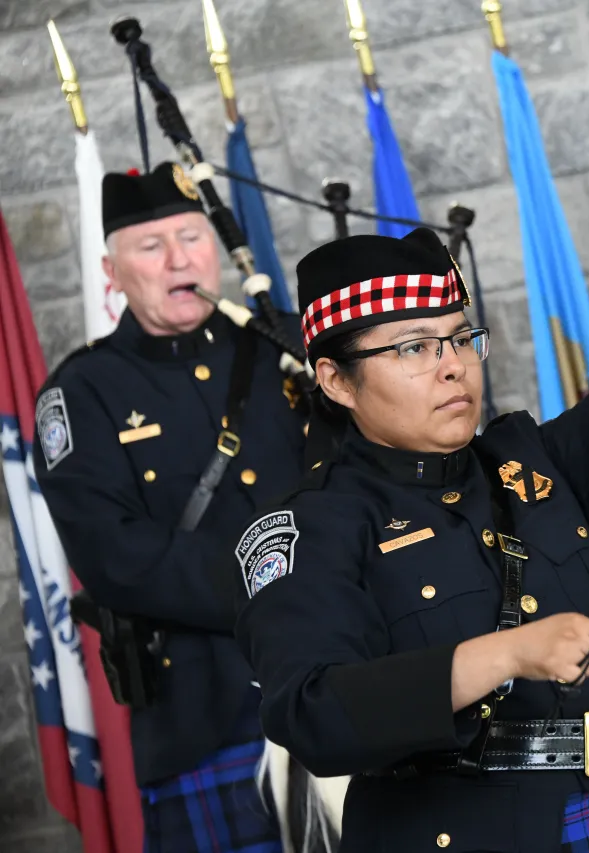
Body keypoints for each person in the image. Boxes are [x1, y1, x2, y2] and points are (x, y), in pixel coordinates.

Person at [227, 89, 589, 853]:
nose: (452, 367)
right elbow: (313, 711)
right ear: (333, 379)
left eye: (459, 338)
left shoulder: (529, 467)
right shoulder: (308, 525)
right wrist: (509, 654)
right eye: (412, 348)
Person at [33, 162, 310, 852]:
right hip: (208, 715)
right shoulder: (83, 392)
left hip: (349, 675)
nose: (179, 258)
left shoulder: (289, 347)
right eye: (151, 246)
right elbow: (117, 558)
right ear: (112, 271)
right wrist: (286, 589)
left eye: (191, 235)